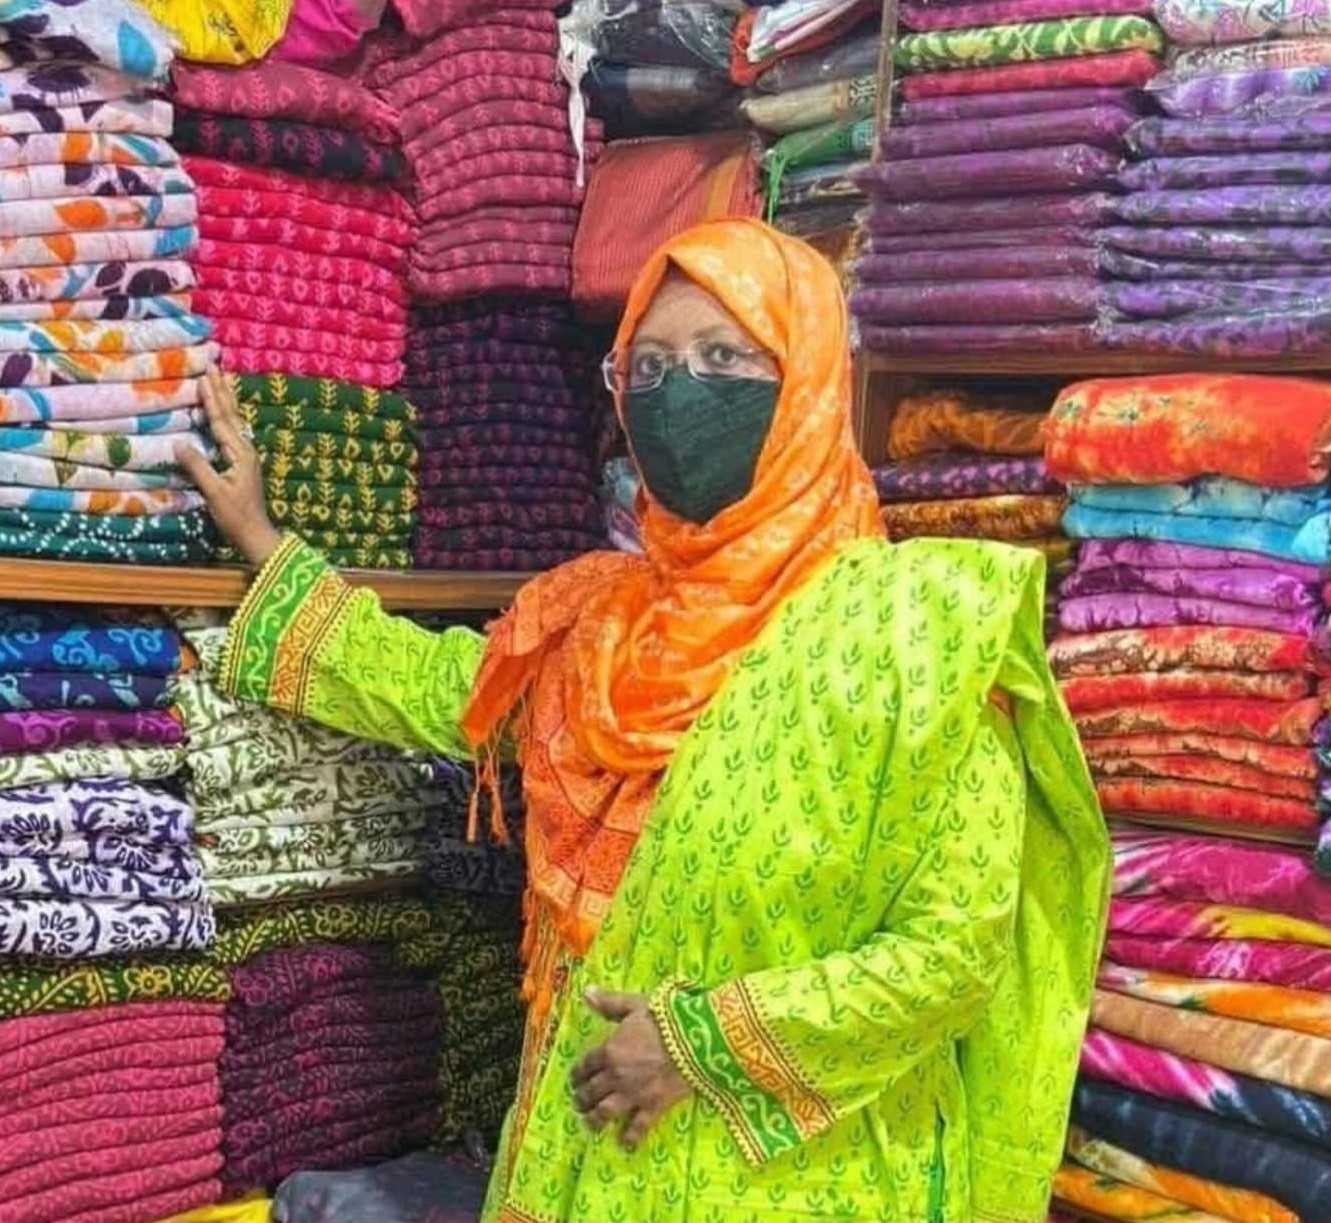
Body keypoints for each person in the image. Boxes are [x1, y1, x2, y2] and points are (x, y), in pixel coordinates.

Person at [180, 219, 1110, 1223]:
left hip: (800, 1183)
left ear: (807, 382)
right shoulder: (600, 622)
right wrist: (265, 545)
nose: (679, 394)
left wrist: (704, 1043)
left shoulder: (916, 634)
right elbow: (443, 687)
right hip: (584, 1168)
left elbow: (951, 950)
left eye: (723, 358)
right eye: (650, 366)